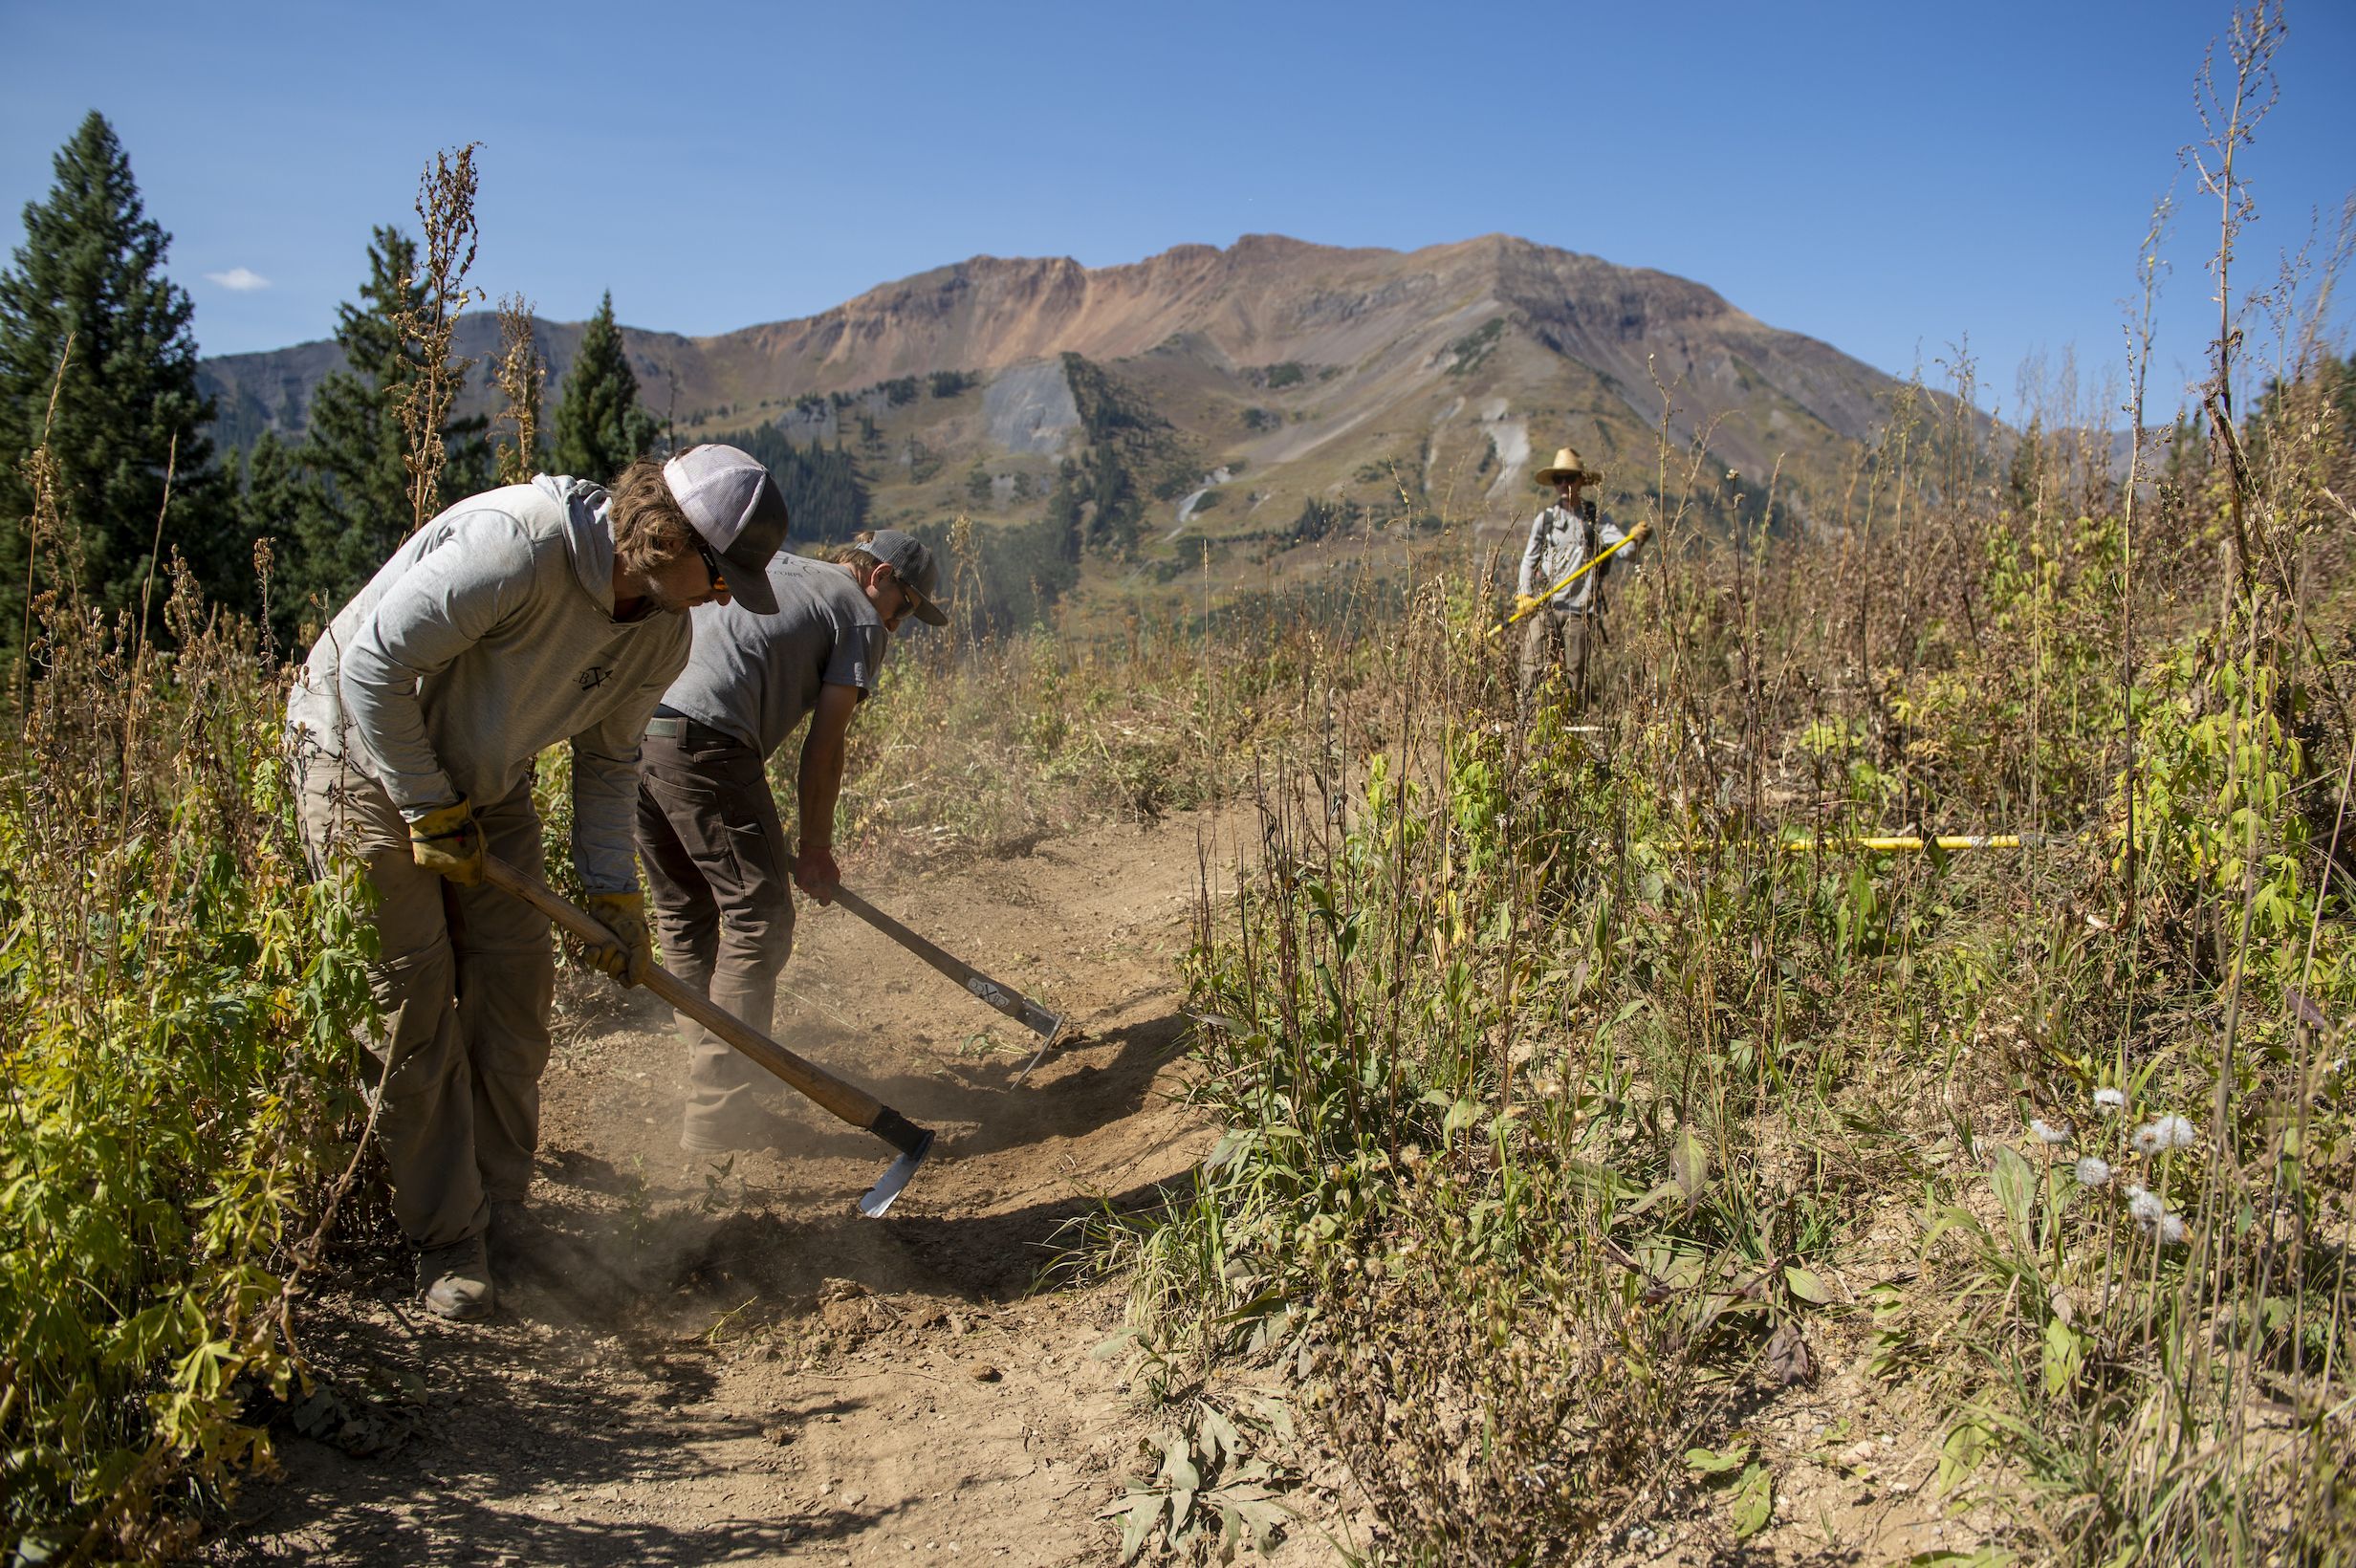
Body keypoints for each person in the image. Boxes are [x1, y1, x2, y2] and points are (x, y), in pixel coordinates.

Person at [287, 445, 791, 1320]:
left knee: (516, 987)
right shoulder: (517, 547)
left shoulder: (664, 632)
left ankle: (502, 1211)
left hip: (487, 778)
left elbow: (608, 762)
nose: (721, 599)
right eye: (719, 577)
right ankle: (446, 1240)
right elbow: (371, 667)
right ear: (667, 538)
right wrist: (424, 806)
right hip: (359, 763)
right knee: (413, 1005)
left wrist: (611, 894)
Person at [635, 528, 947, 1154]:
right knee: (758, 916)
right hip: (708, 741)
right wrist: (815, 848)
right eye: (907, 607)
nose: (899, 625)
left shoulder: (776, 566)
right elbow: (824, 748)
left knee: (686, 914)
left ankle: (715, 1087)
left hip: (635, 729)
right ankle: (721, 1109)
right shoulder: (859, 616)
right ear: (880, 576)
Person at [1514, 446, 1651, 708]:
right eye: (1559, 479)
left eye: (1570, 478)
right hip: (1545, 604)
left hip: (1580, 609)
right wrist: (1524, 593)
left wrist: (1637, 539)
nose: (1564, 484)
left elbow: (1626, 553)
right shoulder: (1545, 520)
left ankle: (1571, 721)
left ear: (1580, 481)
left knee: (1574, 671)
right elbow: (1529, 559)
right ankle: (1528, 719)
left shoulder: (1595, 518)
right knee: (1532, 662)